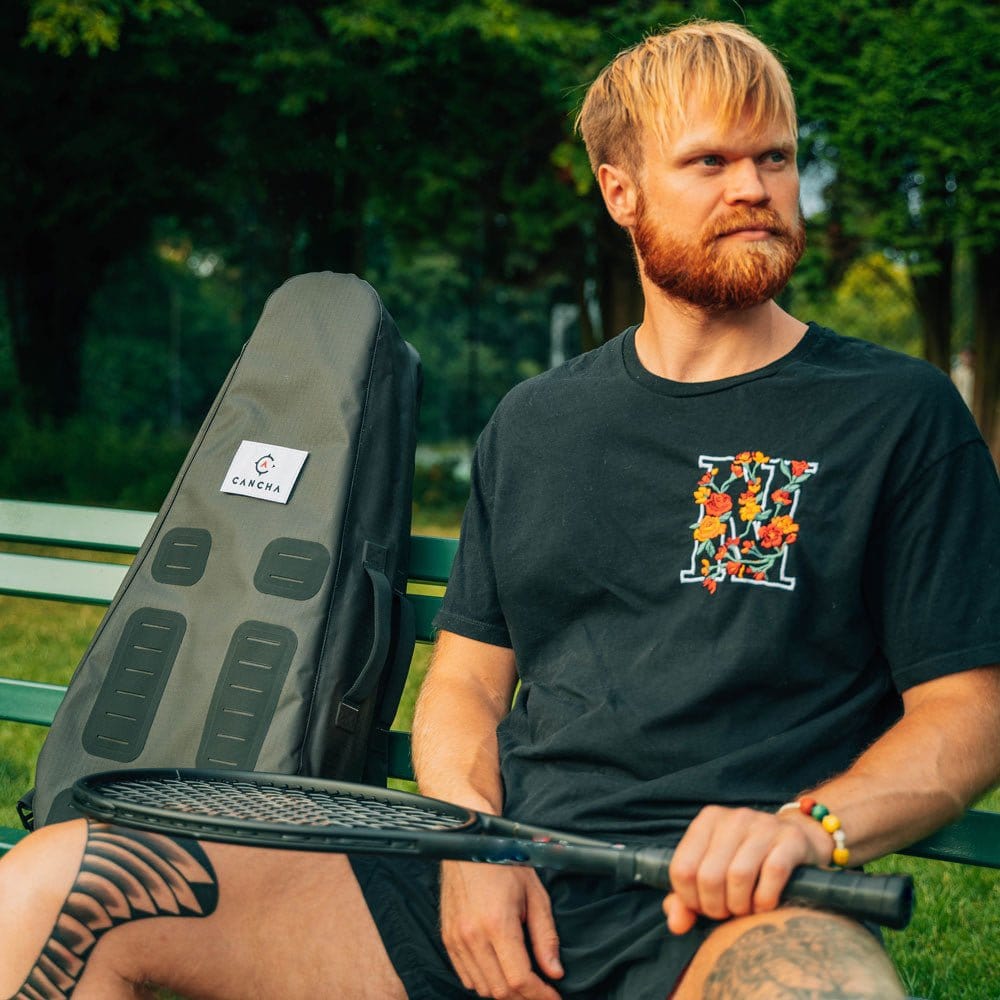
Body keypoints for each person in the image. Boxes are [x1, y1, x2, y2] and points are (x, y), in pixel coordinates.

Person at [2, 19, 999, 1000]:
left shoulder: (895, 413)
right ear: (620, 191)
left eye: (774, 158)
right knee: (59, 882)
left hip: (734, 911)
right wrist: (470, 845)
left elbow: (969, 707)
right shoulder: (535, 422)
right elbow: (467, 688)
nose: (753, 188)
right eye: (709, 161)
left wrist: (805, 826)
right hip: (497, 886)